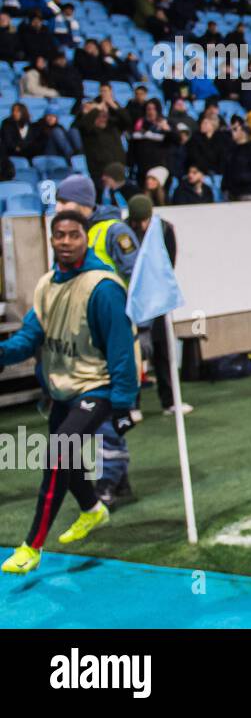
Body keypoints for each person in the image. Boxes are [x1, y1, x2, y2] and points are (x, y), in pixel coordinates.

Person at [0, 211, 139, 575]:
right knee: (70, 460)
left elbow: (121, 349)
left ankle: (31, 546)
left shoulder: (104, 287)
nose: (65, 242)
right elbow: (31, 336)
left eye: (73, 235)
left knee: (57, 452)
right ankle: (93, 510)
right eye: (59, 235)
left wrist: (124, 404)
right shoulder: (47, 284)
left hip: (98, 386)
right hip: (63, 389)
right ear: (51, 240)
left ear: (85, 239)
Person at [54, 174, 141, 507]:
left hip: (112, 337)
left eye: (65, 202)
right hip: (81, 340)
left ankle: (108, 479)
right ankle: (118, 478)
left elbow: (136, 279)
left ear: (85, 204)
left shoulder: (113, 232)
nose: (59, 208)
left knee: (105, 412)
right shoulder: (68, 237)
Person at [126, 194, 189, 415]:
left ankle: (170, 401)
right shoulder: (124, 231)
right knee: (133, 352)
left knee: (163, 350)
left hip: (158, 299)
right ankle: (132, 404)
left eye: (144, 220)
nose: (141, 225)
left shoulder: (164, 229)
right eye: (138, 221)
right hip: (133, 300)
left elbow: (168, 263)